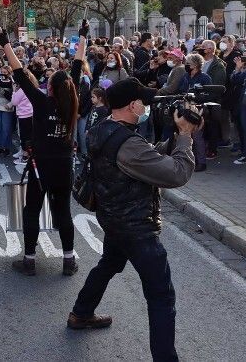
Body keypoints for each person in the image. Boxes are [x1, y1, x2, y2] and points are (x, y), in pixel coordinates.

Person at [68, 78, 200, 362]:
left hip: (113, 218)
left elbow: (147, 156)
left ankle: (81, 313)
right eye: (143, 102)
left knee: (109, 264)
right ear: (131, 106)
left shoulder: (102, 129)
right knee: (161, 296)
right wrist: (186, 136)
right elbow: (176, 174)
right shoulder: (127, 143)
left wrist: (173, 138)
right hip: (136, 228)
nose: (146, 107)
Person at [0, 22, 85, 277]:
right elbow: (78, 64)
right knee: (64, 211)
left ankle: (29, 260)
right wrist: (82, 37)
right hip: (65, 165)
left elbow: (19, 73)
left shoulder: (41, 101)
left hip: (41, 167)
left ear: (50, 88)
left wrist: (5, 44)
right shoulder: (73, 101)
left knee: (32, 210)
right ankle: (68, 260)